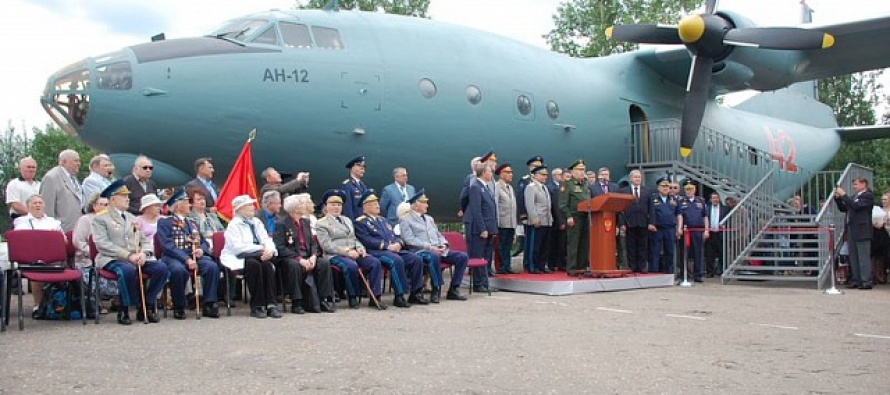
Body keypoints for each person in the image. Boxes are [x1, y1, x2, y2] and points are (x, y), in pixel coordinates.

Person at [91, 180, 168, 325]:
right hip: (112, 258)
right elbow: (102, 244)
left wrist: (144, 254)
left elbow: (144, 241)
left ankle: (147, 304)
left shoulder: (132, 218)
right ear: (113, 199)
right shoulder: (101, 218)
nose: (127, 199)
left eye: (127, 196)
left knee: (161, 268)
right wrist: (128, 255)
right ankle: (124, 308)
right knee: (127, 270)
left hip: (136, 257)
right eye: (123, 196)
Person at [315, 189, 386, 309]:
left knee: (374, 262)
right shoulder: (321, 223)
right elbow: (326, 245)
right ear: (326, 207)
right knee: (351, 266)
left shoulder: (347, 220)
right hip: (335, 255)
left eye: (339, 205)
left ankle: (375, 297)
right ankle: (353, 297)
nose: (336, 208)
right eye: (333, 205)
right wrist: (347, 252)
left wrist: (360, 248)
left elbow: (354, 238)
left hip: (354, 252)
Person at [355, 190, 426, 307]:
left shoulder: (383, 220)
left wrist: (398, 243)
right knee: (396, 260)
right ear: (366, 206)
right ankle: (399, 295)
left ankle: (416, 293)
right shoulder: (361, 222)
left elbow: (394, 235)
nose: (378, 205)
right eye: (373, 204)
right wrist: (388, 246)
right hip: (376, 252)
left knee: (415, 258)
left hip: (392, 250)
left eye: (377, 203)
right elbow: (367, 240)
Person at [157, 188, 220, 319]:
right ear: (178, 205)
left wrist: (201, 249)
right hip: (174, 256)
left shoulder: (191, 222)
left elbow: (203, 241)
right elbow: (167, 245)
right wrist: (186, 259)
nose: (189, 205)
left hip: (193, 254)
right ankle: (179, 305)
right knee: (178, 270)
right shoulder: (165, 222)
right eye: (186, 202)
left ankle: (209, 303)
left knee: (211, 267)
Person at [400, 189, 468, 302]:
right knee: (433, 256)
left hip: (437, 249)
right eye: (424, 202)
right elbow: (409, 240)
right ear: (416, 205)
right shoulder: (405, 219)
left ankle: (454, 289)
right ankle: (436, 289)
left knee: (462, 257)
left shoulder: (429, 218)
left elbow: (438, 234)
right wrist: (430, 247)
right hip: (420, 251)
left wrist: (444, 244)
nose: (427, 205)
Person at [220, 195, 282, 318]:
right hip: (239, 257)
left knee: (267, 265)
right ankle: (256, 306)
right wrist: (260, 249)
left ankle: (271, 304)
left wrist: (269, 250)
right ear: (240, 209)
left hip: (259, 255)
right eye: (249, 205)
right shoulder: (234, 225)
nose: (253, 207)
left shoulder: (256, 222)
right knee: (254, 265)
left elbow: (266, 239)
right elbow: (237, 247)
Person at [273, 194, 336, 314]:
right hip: (290, 256)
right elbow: (280, 247)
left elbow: (313, 243)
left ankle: (322, 299)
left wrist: (313, 256)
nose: (304, 206)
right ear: (295, 208)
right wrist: (299, 259)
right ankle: (297, 302)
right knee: (294, 265)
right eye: (301, 204)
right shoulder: (281, 223)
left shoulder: (306, 222)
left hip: (308, 254)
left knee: (323, 263)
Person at [13, 194, 64, 315]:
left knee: (66, 268)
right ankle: (38, 305)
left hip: (53, 258)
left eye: (40, 203)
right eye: (34, 203)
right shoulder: (21, 221)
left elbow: (63, 239)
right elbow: (21, 240)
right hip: (32, 259)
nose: (38, 205)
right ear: (28, 206)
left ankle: (58, 304)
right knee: (37, 270)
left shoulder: (53, 222)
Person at [72, 193, 117, 314]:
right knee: (94, 276)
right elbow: (78, 242)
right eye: (101, 204)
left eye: (107, 205)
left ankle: (119, 302)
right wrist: (93, 253)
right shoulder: (85, 220)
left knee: (124, 270)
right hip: (87, 260)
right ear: (94, 206)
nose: (104, 207)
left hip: (108, 259)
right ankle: (95, 303)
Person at [834, 177, 875, 289]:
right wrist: (838, 199)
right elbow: (844, 208)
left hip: (862, 230)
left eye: (856, 184)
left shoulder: (868, 196)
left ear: (863, 184)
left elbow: (856, 206)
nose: (854, 187)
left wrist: (844, 195)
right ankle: (856, 279)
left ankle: (866, 281)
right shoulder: (854, 197)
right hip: (852, 229)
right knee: (853, 256)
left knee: (863, 257)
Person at [464, 163, 498, 292]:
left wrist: (492, 229)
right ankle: (478, 284)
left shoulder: (485, 187)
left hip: (489, 229)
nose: (491, 174)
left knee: (487, 257)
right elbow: (477, 210)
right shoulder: (475, 187)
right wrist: (482, 228)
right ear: (483, 173)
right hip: (479, 230)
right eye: (489, 171)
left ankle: (485, 283)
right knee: (478, 256)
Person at [560, 160, 591, 274]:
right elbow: (563, 204)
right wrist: (568, 216)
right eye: (579, 170)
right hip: (574, 217)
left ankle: (582, 266)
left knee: (584, 243)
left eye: (583, 170)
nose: (582, 172)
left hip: (585, 217)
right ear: (572, 172)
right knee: (573, 243)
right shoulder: (567, 185)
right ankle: (572, 268)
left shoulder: (585, 185)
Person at [41, 149, 83, 232]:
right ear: (63, 162)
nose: (79, 164)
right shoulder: (51, 177)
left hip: (77, 230)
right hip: (62, 230)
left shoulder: (73, 177)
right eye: (75, 161)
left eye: (79, 161)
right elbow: (47, 209)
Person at [677, 180, 709, 282]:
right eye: (687, 189)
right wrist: (679, 228)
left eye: (691, 189)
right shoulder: (681, 201)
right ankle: (684, 274)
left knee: (698, 253)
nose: (689, 191)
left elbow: (705, 217)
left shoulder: (701, 201)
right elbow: (680, 216)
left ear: (695, 190)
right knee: (684, 253)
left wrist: (706, 230)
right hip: (686, 231)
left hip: (698, 230)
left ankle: (697, 275)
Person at [618, 170, 650, 273]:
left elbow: (651, 208)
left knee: (643, 245)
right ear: (631, 178)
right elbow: (621, 209)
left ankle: (642, 266)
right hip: (629, 222)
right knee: (631, 245)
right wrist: (622, 223)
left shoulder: (647, 191)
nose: (637, 179)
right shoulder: (624, 191)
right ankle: (632, 266)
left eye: (639, 177)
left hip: (643, 222)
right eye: (635, 177)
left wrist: (651, 222)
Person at [524, 165, 553, 274]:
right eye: (543, 174)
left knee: (544, 245)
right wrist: (535, 219)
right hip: (538, 221)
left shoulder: (544, 187)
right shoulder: (531, 187)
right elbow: (530, 205)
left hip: (547, 220)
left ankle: (541, 265)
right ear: (536, 175)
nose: (545, 177)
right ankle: (533, 266)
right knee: (535, 245)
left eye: (546, 174)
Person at [648, 177, 680, 274]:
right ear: (658, 187)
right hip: (657, 229)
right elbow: (648, 212)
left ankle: (669, 273)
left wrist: (679, 228)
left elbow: (678, 214)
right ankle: (654, 272)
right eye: (663, 186)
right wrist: (650, 223)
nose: (665, 188)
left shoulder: (674, 199)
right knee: (655, 251)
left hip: (670, 229)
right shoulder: (653, 198)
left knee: (669, 252)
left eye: (667, 186)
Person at [517, 156, 543, 268]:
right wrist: (524, 216)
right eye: (535, 166)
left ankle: (536, 263)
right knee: (530, 242)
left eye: (539, 166)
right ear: (530, 167)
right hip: (529, 217)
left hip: (540, 217)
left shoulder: (541, 180)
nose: (537, 168)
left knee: (537, 242)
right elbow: (521, 199)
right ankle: (529, 264)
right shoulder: (525, 180)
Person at [494, 163, 518, 274]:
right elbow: (496, 206)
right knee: (501, 245)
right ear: (501, 174)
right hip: (502, 222)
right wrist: (496, 223)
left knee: (508, 246)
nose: (511, 174)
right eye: (508, 172)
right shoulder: (497, 187)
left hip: (510, 222)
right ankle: (501, 266)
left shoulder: (510, 188)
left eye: (511, 172)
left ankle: (507, 266)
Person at [6, 156, 41, 221]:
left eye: (33, 167)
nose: (31, 169)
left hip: (39, 220)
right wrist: (33, 214)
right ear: (20, 169)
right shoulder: (14, 184)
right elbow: (16, 205)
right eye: (28, 167)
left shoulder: (40, 185)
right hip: (20, 220)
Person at [547, 167, 567, 272]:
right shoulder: (551, 187)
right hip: (555, 220)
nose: (562, 176)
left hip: (564, 220)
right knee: (553, 243)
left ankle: (561, 263)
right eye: (560, 174)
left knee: (562, 244)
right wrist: (560, 221)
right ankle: (552, 263)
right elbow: (556, 206)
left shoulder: (564, 187)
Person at [704, 192, 728, 277]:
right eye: (713, 198)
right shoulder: (706, 208)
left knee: (722, 253)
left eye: (717, 198)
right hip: (710, 234)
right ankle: (710, 272)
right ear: (710, 200)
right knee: (709, 254)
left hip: (720, 234)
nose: (715, 200)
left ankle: (722, 271)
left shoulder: (725, 209)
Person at [340, 156, 368, 221]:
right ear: (352, 168)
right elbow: (347, 208)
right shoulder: (347, 185)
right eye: (360, 167)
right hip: (355, 221)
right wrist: (351, 223)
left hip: (364, 222)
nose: (363, 170)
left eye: (363, 168)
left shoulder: (363, 185)